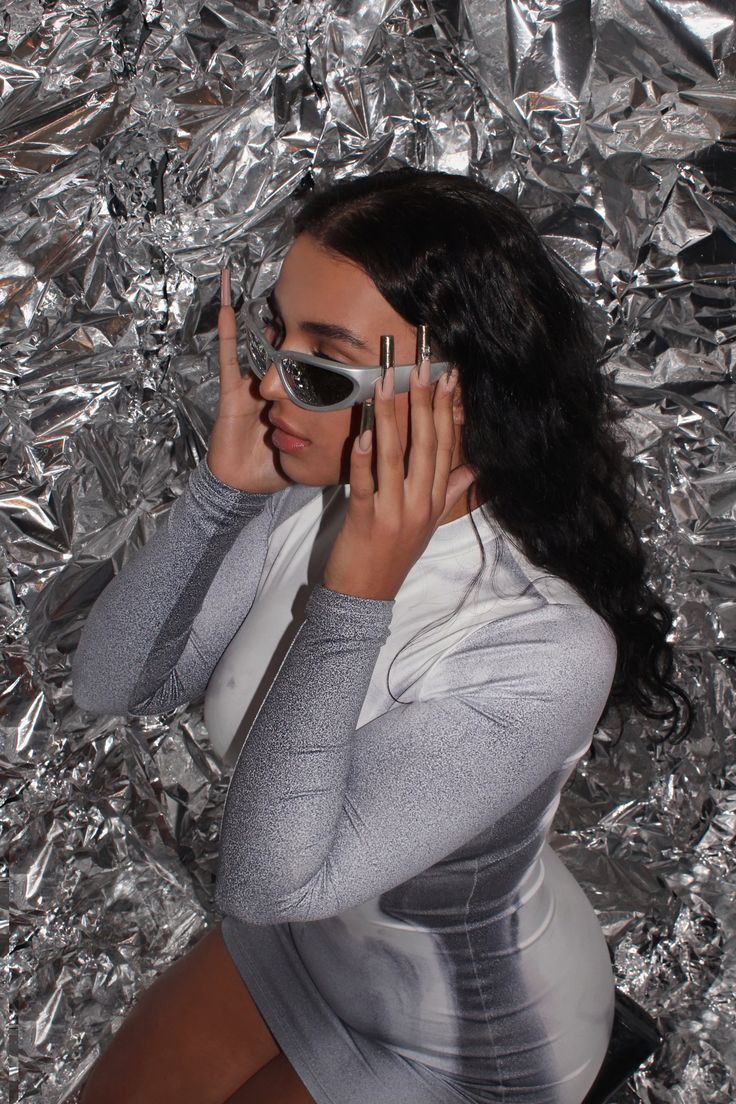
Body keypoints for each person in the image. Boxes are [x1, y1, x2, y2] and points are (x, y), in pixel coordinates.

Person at [70, 167, 692, 1104]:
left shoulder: (546, 648)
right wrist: (220, 502)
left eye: (319, 366)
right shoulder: (304, 506)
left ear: (454, 400)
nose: (268, 387)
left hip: (472, 1042)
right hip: (312, 944)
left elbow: (268, 881)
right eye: (275, 336)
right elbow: (115, 685)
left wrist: (355, 596)